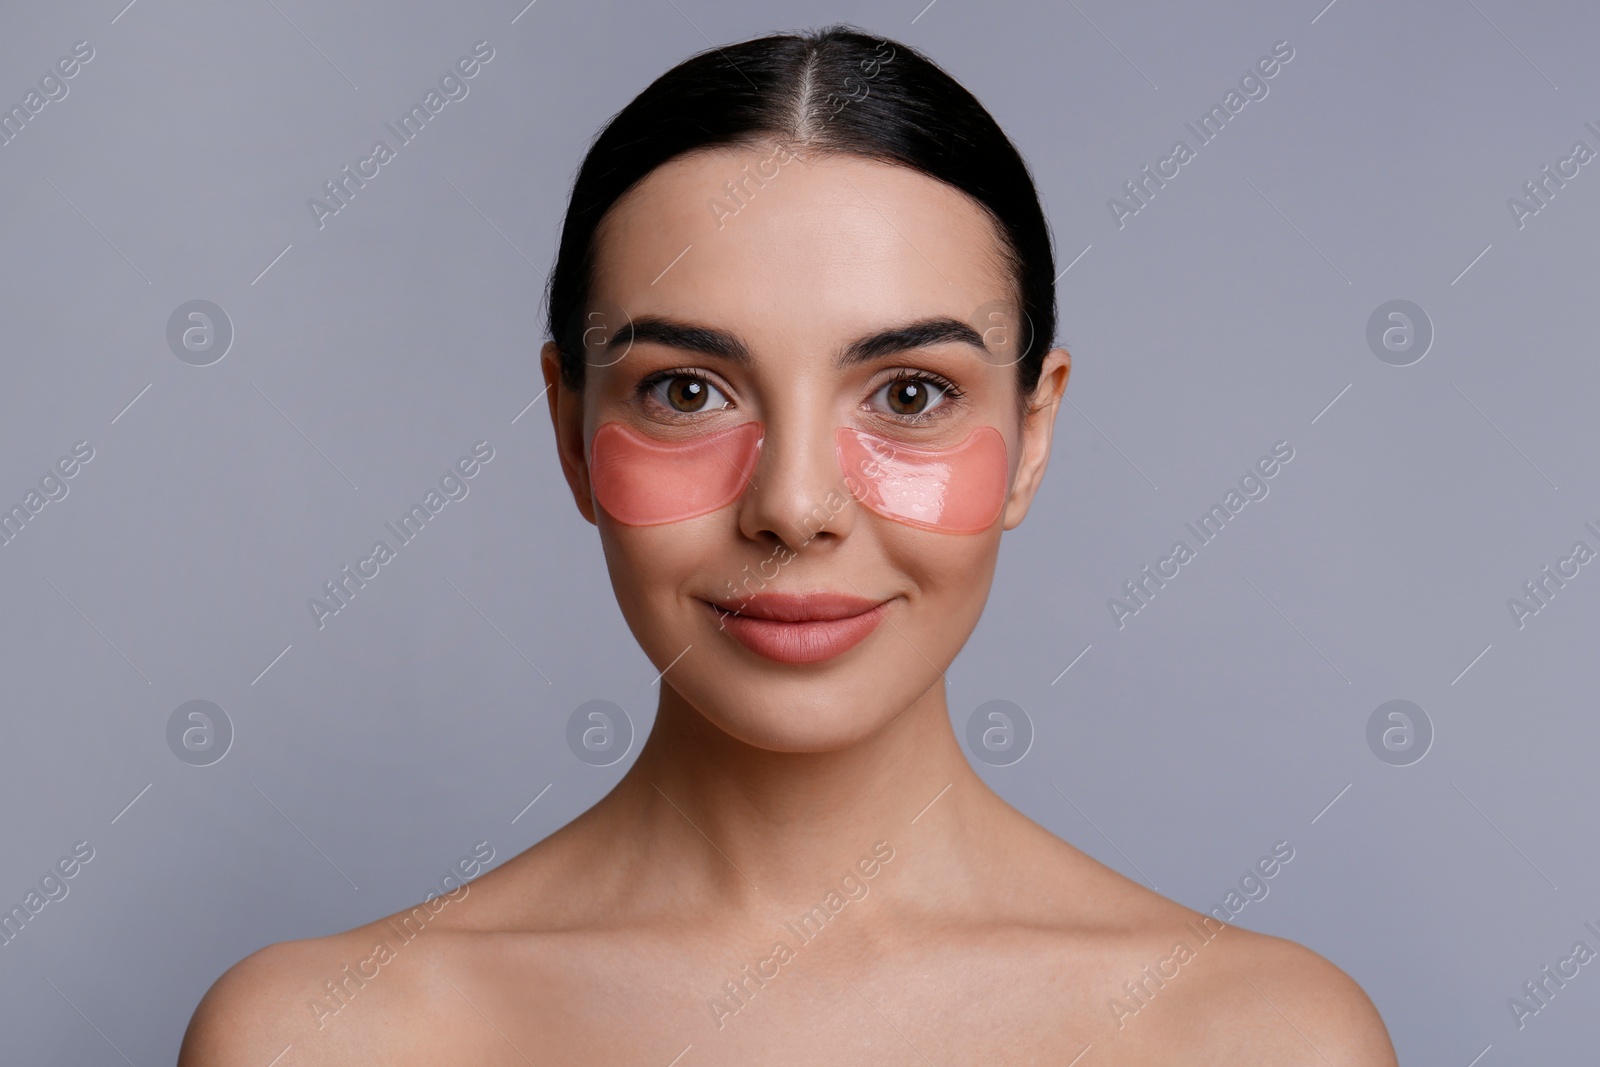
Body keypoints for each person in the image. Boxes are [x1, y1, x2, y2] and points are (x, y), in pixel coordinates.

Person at [181, 24, 1398, 1064]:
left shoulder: (1255, 1035)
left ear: (1032, 434)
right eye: (687, 392)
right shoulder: (326, 1035)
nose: (797, 505)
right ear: (569, 429)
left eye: (910, 394)